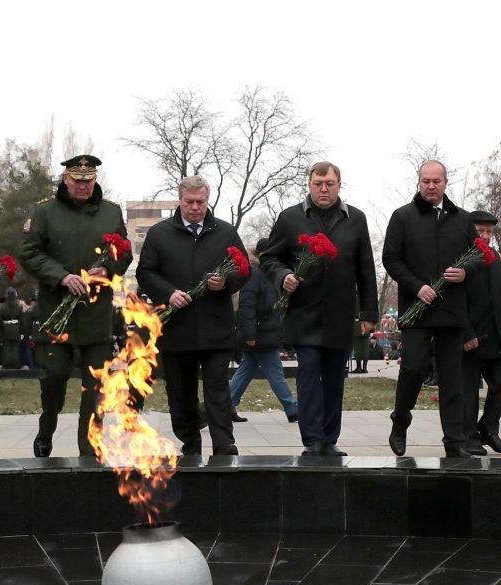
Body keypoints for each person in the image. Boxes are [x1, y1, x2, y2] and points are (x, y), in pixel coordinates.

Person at [261, 161, 378, 456]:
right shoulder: (290, 218)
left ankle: (329, 439)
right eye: (318, 183)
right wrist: (283, 276)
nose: (323, 189)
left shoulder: (356, 219)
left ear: (339, 185)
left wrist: (368, 313)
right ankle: (312, 439)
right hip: (304, 312)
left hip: (340, 314)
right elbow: (269, 258)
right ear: (309, 185)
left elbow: (366, 269)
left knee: (335, 376)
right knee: (310, 371)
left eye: (329, 183)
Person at [19, 155, 132, 457]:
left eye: (88, 180)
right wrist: (62, 277)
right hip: (57, 315)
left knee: (95, 385)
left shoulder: (111, 212)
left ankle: (89, 447)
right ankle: (46, 429)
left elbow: (124, 252)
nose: (83, 186)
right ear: (65, 180)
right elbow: (29, 253)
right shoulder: (45, 212)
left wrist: (108, 270)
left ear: (95, 180)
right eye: (77, 180)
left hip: (96, 315)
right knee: (54, 376)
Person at [137, 175, 248, 456]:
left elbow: (243, 269)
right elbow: (145, 273)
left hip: (216, 327)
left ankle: (224, 444)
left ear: (207, 200)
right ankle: (190, 442)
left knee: (217, 390)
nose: (195, 207)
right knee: (181, 392)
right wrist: (168, 293)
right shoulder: (159, 234)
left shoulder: (225, 232)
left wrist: (225, 283)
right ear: (180, 200)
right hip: (177, 329)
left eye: (201, 201)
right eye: (190, 202)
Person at [382, 160, 475, 458]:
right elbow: (391, 259)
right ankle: (400, 422)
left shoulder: (462, 220)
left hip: (451, 311)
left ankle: (454, 441)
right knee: (413, 368)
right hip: (417, 309)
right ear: (419, 182)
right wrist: (416, 286)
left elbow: (477, 258)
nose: (431, 186)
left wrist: (466, 273)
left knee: (452, 377)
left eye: (436, 181)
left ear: (446, 182)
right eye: (426, 181)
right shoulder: (402, 217)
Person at [228, 238, 299, 424]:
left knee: (246, 369)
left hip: (264, 333)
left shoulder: (271, 275)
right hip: (260, 335)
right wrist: (250, 335)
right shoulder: (255, 276)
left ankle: (225, 405)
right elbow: (246, 307)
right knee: (275, 373)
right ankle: (292, 409)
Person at [461, 211, 501, 455]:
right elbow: (455, 301)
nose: (485, 236)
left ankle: (489, 428)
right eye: (480, 231)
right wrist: (466, 333)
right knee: (469, 391)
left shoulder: (494, 257)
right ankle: (469, 436)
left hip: (496, 336)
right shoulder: (461, 258)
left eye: (489, 232)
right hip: (470, 337)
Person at [0, 287, 23, 368]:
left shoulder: (3, 307)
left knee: (6, 347)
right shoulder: (19, 307)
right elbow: (22, 320)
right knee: (15, 347)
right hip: (16, 329)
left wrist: (1, 328)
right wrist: (21, 330)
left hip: (6, 329)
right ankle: (15, 363)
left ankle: (6, 364)